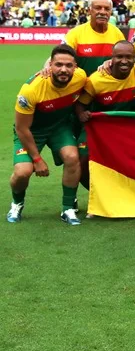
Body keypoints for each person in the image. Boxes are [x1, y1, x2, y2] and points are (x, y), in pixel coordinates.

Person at [8, 44, 87, 225]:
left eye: (69, 66)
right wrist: (37, 159)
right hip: (31, 131)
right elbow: (22, 128)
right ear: (49, 65)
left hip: (59, 127)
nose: (63, 70)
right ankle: (17, 203)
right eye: (58, 65)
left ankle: (68, 208)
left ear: (76, 67)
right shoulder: (31, 90)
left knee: (72, 157)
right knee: (22, 172)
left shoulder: (80, 77)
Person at [74, 40, 135, 193]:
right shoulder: (96, 80)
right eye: (119, 57)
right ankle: (100, 194)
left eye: (129, 57)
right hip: (100, 128)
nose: (124, 61)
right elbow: (80, 104)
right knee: (81, 160)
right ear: (112, 58)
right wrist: (81, 114)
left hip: (129, 128)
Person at [58, 0, 125, 75]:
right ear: (89, 11)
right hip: (83, 85)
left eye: (107, 9)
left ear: (111, 12)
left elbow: (125, 59)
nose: (103, 12)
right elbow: (58, 56)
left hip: (108, 86)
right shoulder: (75, 33)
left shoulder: (117, 33)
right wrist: (47, 66)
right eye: (98, 8)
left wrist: (112, 61)